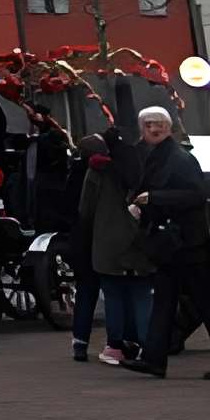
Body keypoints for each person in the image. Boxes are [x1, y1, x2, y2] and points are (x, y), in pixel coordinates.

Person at [125, 106, 210, 380]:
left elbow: (195, 196)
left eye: (160, 124)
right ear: (142, 129)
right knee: (166, 303)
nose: (155, 128)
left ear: (169, 128)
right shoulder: (157, 156)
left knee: (206, 303)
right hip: (173, 246)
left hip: (188, 246)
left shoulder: (178, 158)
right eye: (150, 124)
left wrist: (154, 199)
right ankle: (154, 359)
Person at [74, 128, 155, 367]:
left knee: (114, 297)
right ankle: (147, 347)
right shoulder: (145, 166)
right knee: (142, 296)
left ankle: (115, 347)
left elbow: (85, 209)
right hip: (139, 241)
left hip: (107, 242)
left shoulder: (98, 171)